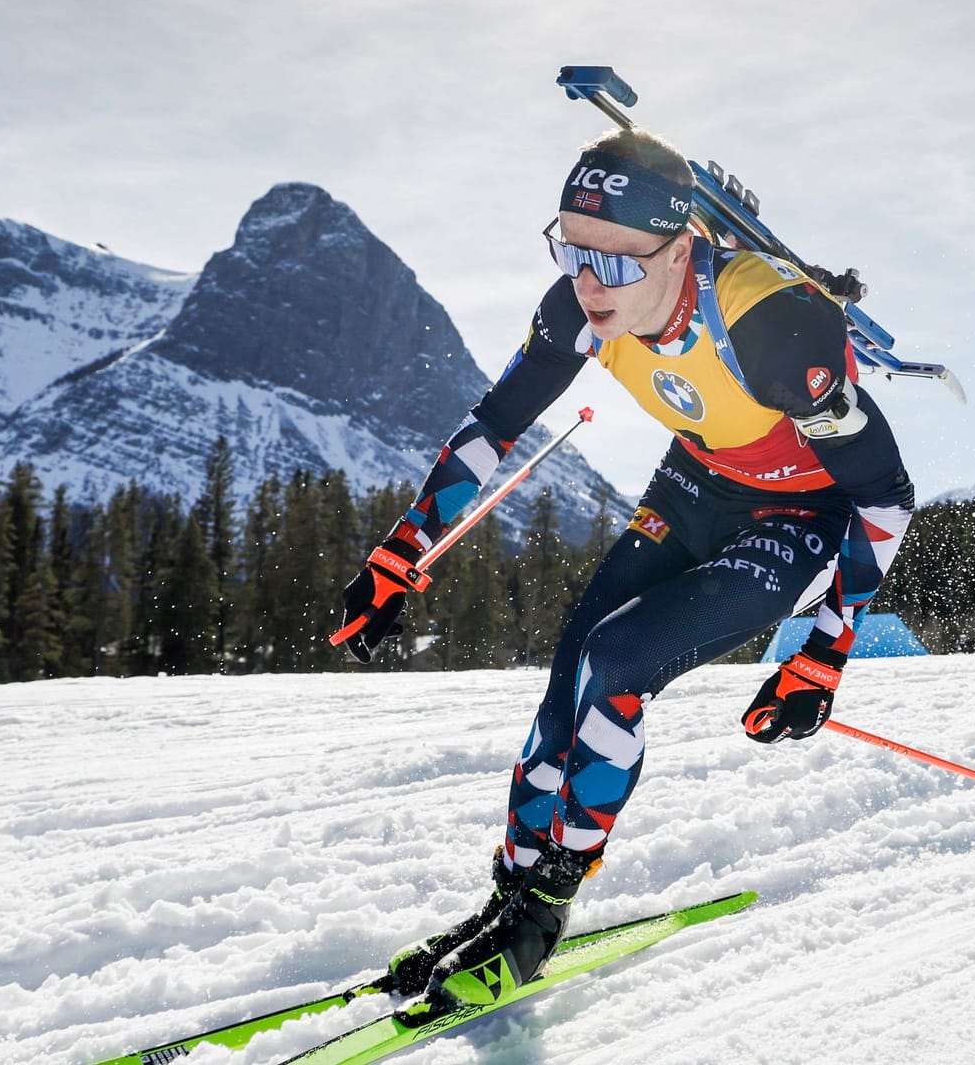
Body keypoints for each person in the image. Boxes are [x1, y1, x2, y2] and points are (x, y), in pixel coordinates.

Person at [335, 125, 916, 1009]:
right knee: (569, 675)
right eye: (571, 250)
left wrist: (824, 652)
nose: (586, 283)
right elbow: (495, 426)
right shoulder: (576, 307)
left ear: (682, 251)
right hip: (692, 486)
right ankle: (506, 902)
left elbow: (885, 499)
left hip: (799, 510)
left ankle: (542, 917)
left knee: (618, 667)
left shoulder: (774, 328)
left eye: (613, 262)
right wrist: (399, 552)